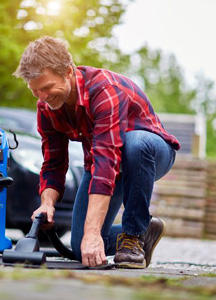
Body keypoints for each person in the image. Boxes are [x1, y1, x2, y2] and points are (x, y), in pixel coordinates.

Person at [13, 36, 180, 268]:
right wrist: (47, 203)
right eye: (35, 91)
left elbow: (106, 159)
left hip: (149, 154)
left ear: (68, 71)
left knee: (134, 143)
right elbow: (54, 163)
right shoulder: (47, 108)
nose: (42, 97)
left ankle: (132, 237)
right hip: (105, 162)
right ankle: (146, 231)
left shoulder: (104, 90)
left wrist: (95, 234)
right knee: (82, 245)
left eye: (48, 87)